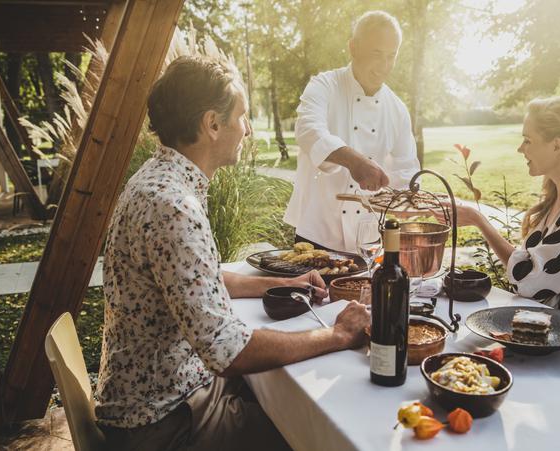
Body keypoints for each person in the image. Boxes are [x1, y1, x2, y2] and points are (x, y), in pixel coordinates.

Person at [94, 55, 370, 451]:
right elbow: (230, 351)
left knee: (278, 394)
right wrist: (339, 334)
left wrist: (283, 282)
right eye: (241, 117)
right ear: (212, 124)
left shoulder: (159, 181)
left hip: (156, 400)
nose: (247, 129)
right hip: (166, 421)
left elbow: (194, 279)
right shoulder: (173, 205)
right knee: (309, 431)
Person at [439, 95, 560, 331]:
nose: (520, 149)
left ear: (557, 145)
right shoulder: (557, 198)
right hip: (546, 324)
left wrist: (478, 220)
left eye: (527, 140)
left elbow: (529, 280)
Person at [284, 10, 420, 253]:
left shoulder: (397, 109)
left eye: (391, 56)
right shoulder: (324, 85)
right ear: (354, 47)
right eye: (376, 54)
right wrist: (354, 161)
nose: (384, 66)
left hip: (368, 241)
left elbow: (406, 170)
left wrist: (410, 197)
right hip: (317, 235)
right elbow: (308, 131)